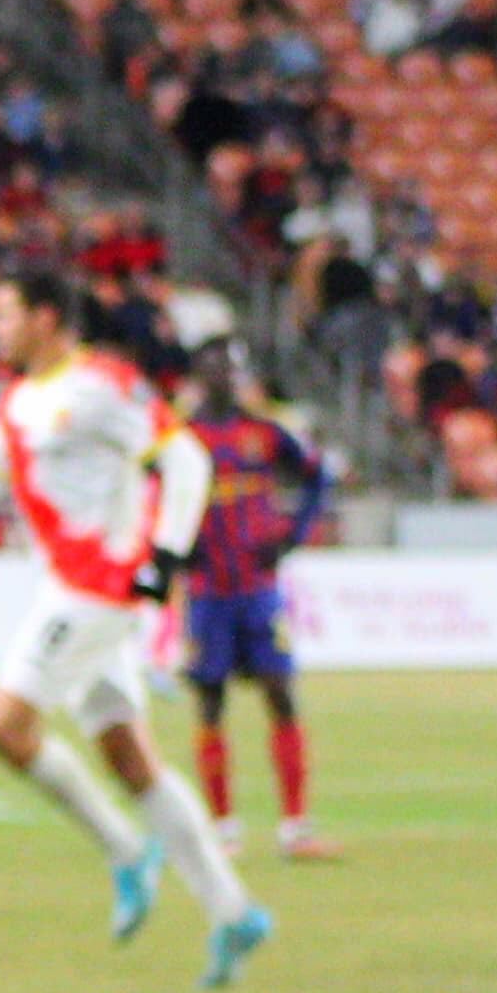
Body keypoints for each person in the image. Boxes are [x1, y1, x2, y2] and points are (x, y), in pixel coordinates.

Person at [0, 269, 273, 988]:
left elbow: (186, 460)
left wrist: (166, 556)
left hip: (98, 590)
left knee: (2, 728)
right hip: (69, 586)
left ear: (45, 317)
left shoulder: (104, 385)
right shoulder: (15, 403)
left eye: (3, 315)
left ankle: (127, 852)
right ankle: (233, 911)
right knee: (130, 758)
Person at [176, 344, 334, 860]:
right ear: (198, 376)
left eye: (231, 368)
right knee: (210, 702)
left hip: (258, 590)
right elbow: (148, 495)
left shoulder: (263, 433)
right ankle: (223, 831)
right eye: (213, 367)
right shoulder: (182, 440)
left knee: (281, 694)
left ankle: (296, 828)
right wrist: (176, 547)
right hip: (207, 593)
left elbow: (316, 475)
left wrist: (291, 534)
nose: (223, 376)